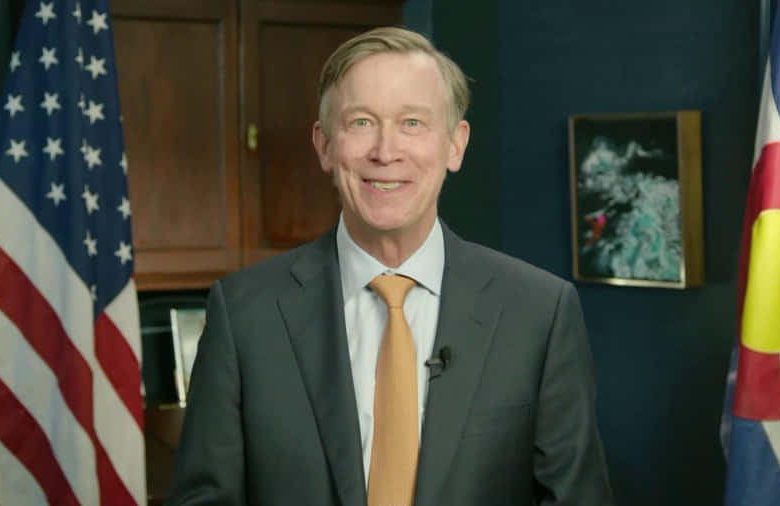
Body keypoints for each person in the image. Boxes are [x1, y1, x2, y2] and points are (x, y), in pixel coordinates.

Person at [167, 26, 613, 506]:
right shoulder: (244, 313)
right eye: (361, 122)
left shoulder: (539, 312)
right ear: (324, 144)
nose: (385, 151)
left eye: (412, 123)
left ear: (455, 145)